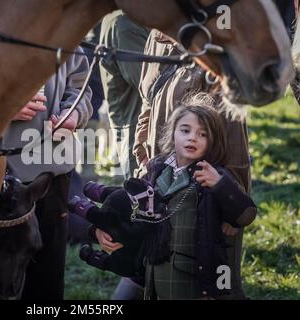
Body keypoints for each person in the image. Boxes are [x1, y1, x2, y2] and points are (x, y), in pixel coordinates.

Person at [133, 30, 251, 299]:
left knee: (212, 283)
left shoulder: (212, 33)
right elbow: (147, 104)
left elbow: (232, 124)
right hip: (162, 177)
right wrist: (143, 162)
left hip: (207, 193)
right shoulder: (155, 36)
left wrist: (232, 194)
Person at [140, 98, 257, 300]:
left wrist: (220, 184)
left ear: (212, 141)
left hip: (194, 280)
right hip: (155, 275)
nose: (192, 138)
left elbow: (246, 215)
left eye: (202, 134)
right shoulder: (157, 168)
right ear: (173, 133)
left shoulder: (214, 174)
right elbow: (134, 206)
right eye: (185, 131)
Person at [0, 47, 92, 300]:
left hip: (53, 172)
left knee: (47, 276)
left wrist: (73, 113)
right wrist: (3, 106)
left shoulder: (66, 29)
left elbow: (79, 86)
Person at [98, 10, 149, 299]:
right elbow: (154, 86)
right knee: (143, 246)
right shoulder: (125, 23)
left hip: (164, 142)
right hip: (141, 147)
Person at [99, 10, 150, 180]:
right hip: (136, 127)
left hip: (144, 124)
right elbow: (149, 82)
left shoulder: (133, 18)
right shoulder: (126, 22)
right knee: (143, 197)